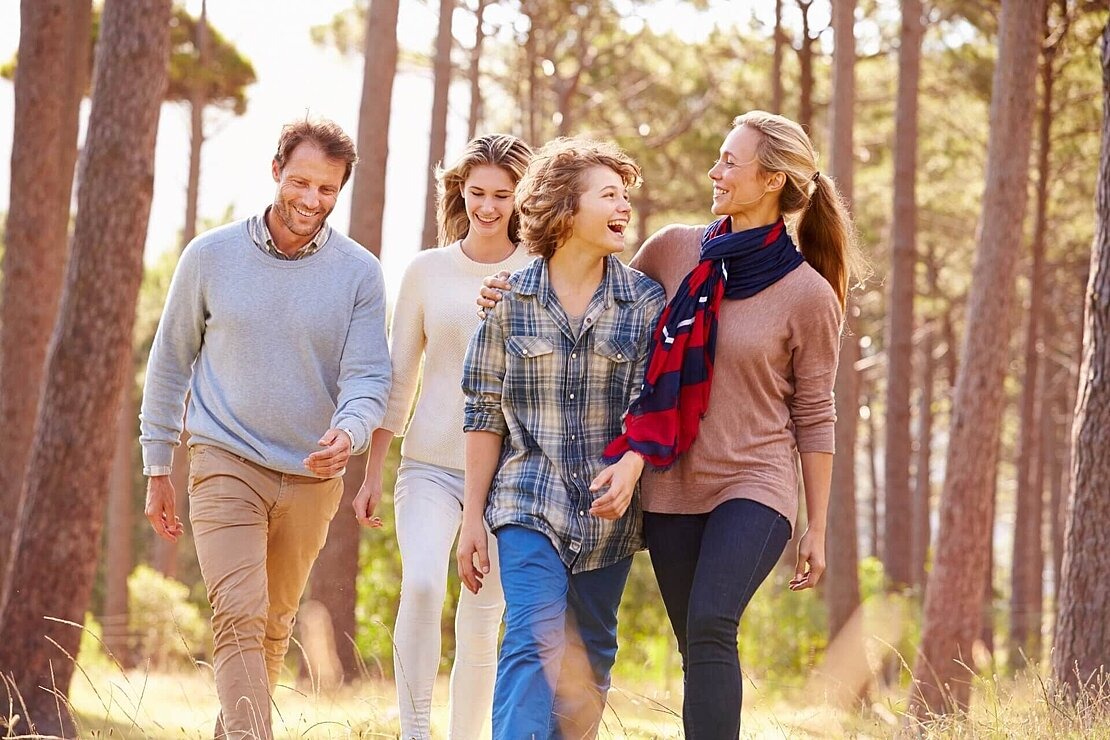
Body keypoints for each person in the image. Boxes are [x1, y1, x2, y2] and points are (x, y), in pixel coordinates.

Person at [479, 111, 859, 737]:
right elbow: (585, 278)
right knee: (695, 642)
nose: (715, 170)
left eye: (729, 162)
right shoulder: (677, 250)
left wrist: (816, 525)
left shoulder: (809, 296)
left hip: (755, 484)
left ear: (770, 180)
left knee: (713, 623)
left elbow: (816, 416)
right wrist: (511, 286)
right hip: (672, 484)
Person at [139, 118, 391, 739]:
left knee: (275, 622)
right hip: (225, 457)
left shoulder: (359, 273)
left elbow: (367, 378)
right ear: (276, 170)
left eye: (327, 189)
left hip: (312, 472)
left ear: (340, 191)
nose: (311, 199)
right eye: (301, 181)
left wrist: (350, 433)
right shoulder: (210, 257)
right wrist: (156, 466)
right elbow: (170, 362)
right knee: (239, 613)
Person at [456, 138, 666, 739]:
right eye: (609, 195)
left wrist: (631, 464)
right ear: (565, 209)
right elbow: (483, 414)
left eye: (626, 195)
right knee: (533, 632)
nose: (624, 206)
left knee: (591, 655)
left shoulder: (643, 304)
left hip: (609, 515)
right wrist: (473, 517)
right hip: (528, 498)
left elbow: (656, 406)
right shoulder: (510, 303)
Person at [351, 134, 534, 739]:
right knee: (426, 583)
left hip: (508, 473)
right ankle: (415, 731)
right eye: (476, 192)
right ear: (460, 191)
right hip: (427, 464)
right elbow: (398, 378)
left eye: (502, 195)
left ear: (520, 198)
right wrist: (372, 472)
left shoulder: (537, 273)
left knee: (484, 616)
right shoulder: (426, 272)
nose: (487, 207)